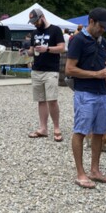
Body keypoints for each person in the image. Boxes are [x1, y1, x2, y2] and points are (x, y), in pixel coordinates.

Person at [66, 7, 106, 189]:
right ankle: (80, 173)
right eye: (100, 26)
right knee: (80, 131)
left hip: (102, 92)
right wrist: (96, 74)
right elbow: (69, 69)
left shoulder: (102, 42)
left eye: (105, 27)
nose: (103, 29)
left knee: (100, 132)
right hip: (85, 92)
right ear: (91, 21)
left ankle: (95, 170)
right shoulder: (78, 40)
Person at [25, 8, 66, 142]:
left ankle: (56, 128)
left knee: (52, 100)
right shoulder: (35, 32)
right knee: (40, 100)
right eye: (33, 22)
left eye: (36, 21)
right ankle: (43, 128)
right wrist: (26, 52)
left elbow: (62, 48)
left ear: (42, 17)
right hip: (37, 69)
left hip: (51, 70)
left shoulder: (55, 30)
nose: (34, 24)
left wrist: (47, 49)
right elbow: (32, 51)